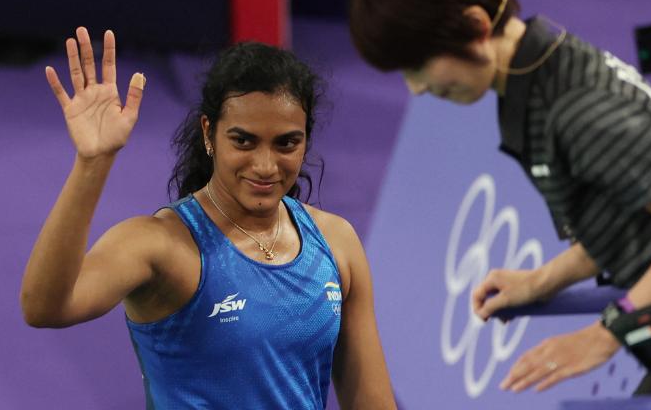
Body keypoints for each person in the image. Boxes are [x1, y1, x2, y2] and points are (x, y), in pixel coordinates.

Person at [346, 0, 651, 395]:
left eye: (419, 65)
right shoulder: (540, 69)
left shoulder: (575, 110)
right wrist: (542, 281)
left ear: (476, 25)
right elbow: (626, 213)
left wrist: (604, 335)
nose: (416, 87)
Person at [20, 27, 396, 409]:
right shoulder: (163, 245)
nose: (265, 165)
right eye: (243, 141)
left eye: (286, 143)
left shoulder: (336, 241)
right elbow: (46, 307)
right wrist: (92, 162)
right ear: (208, 134)